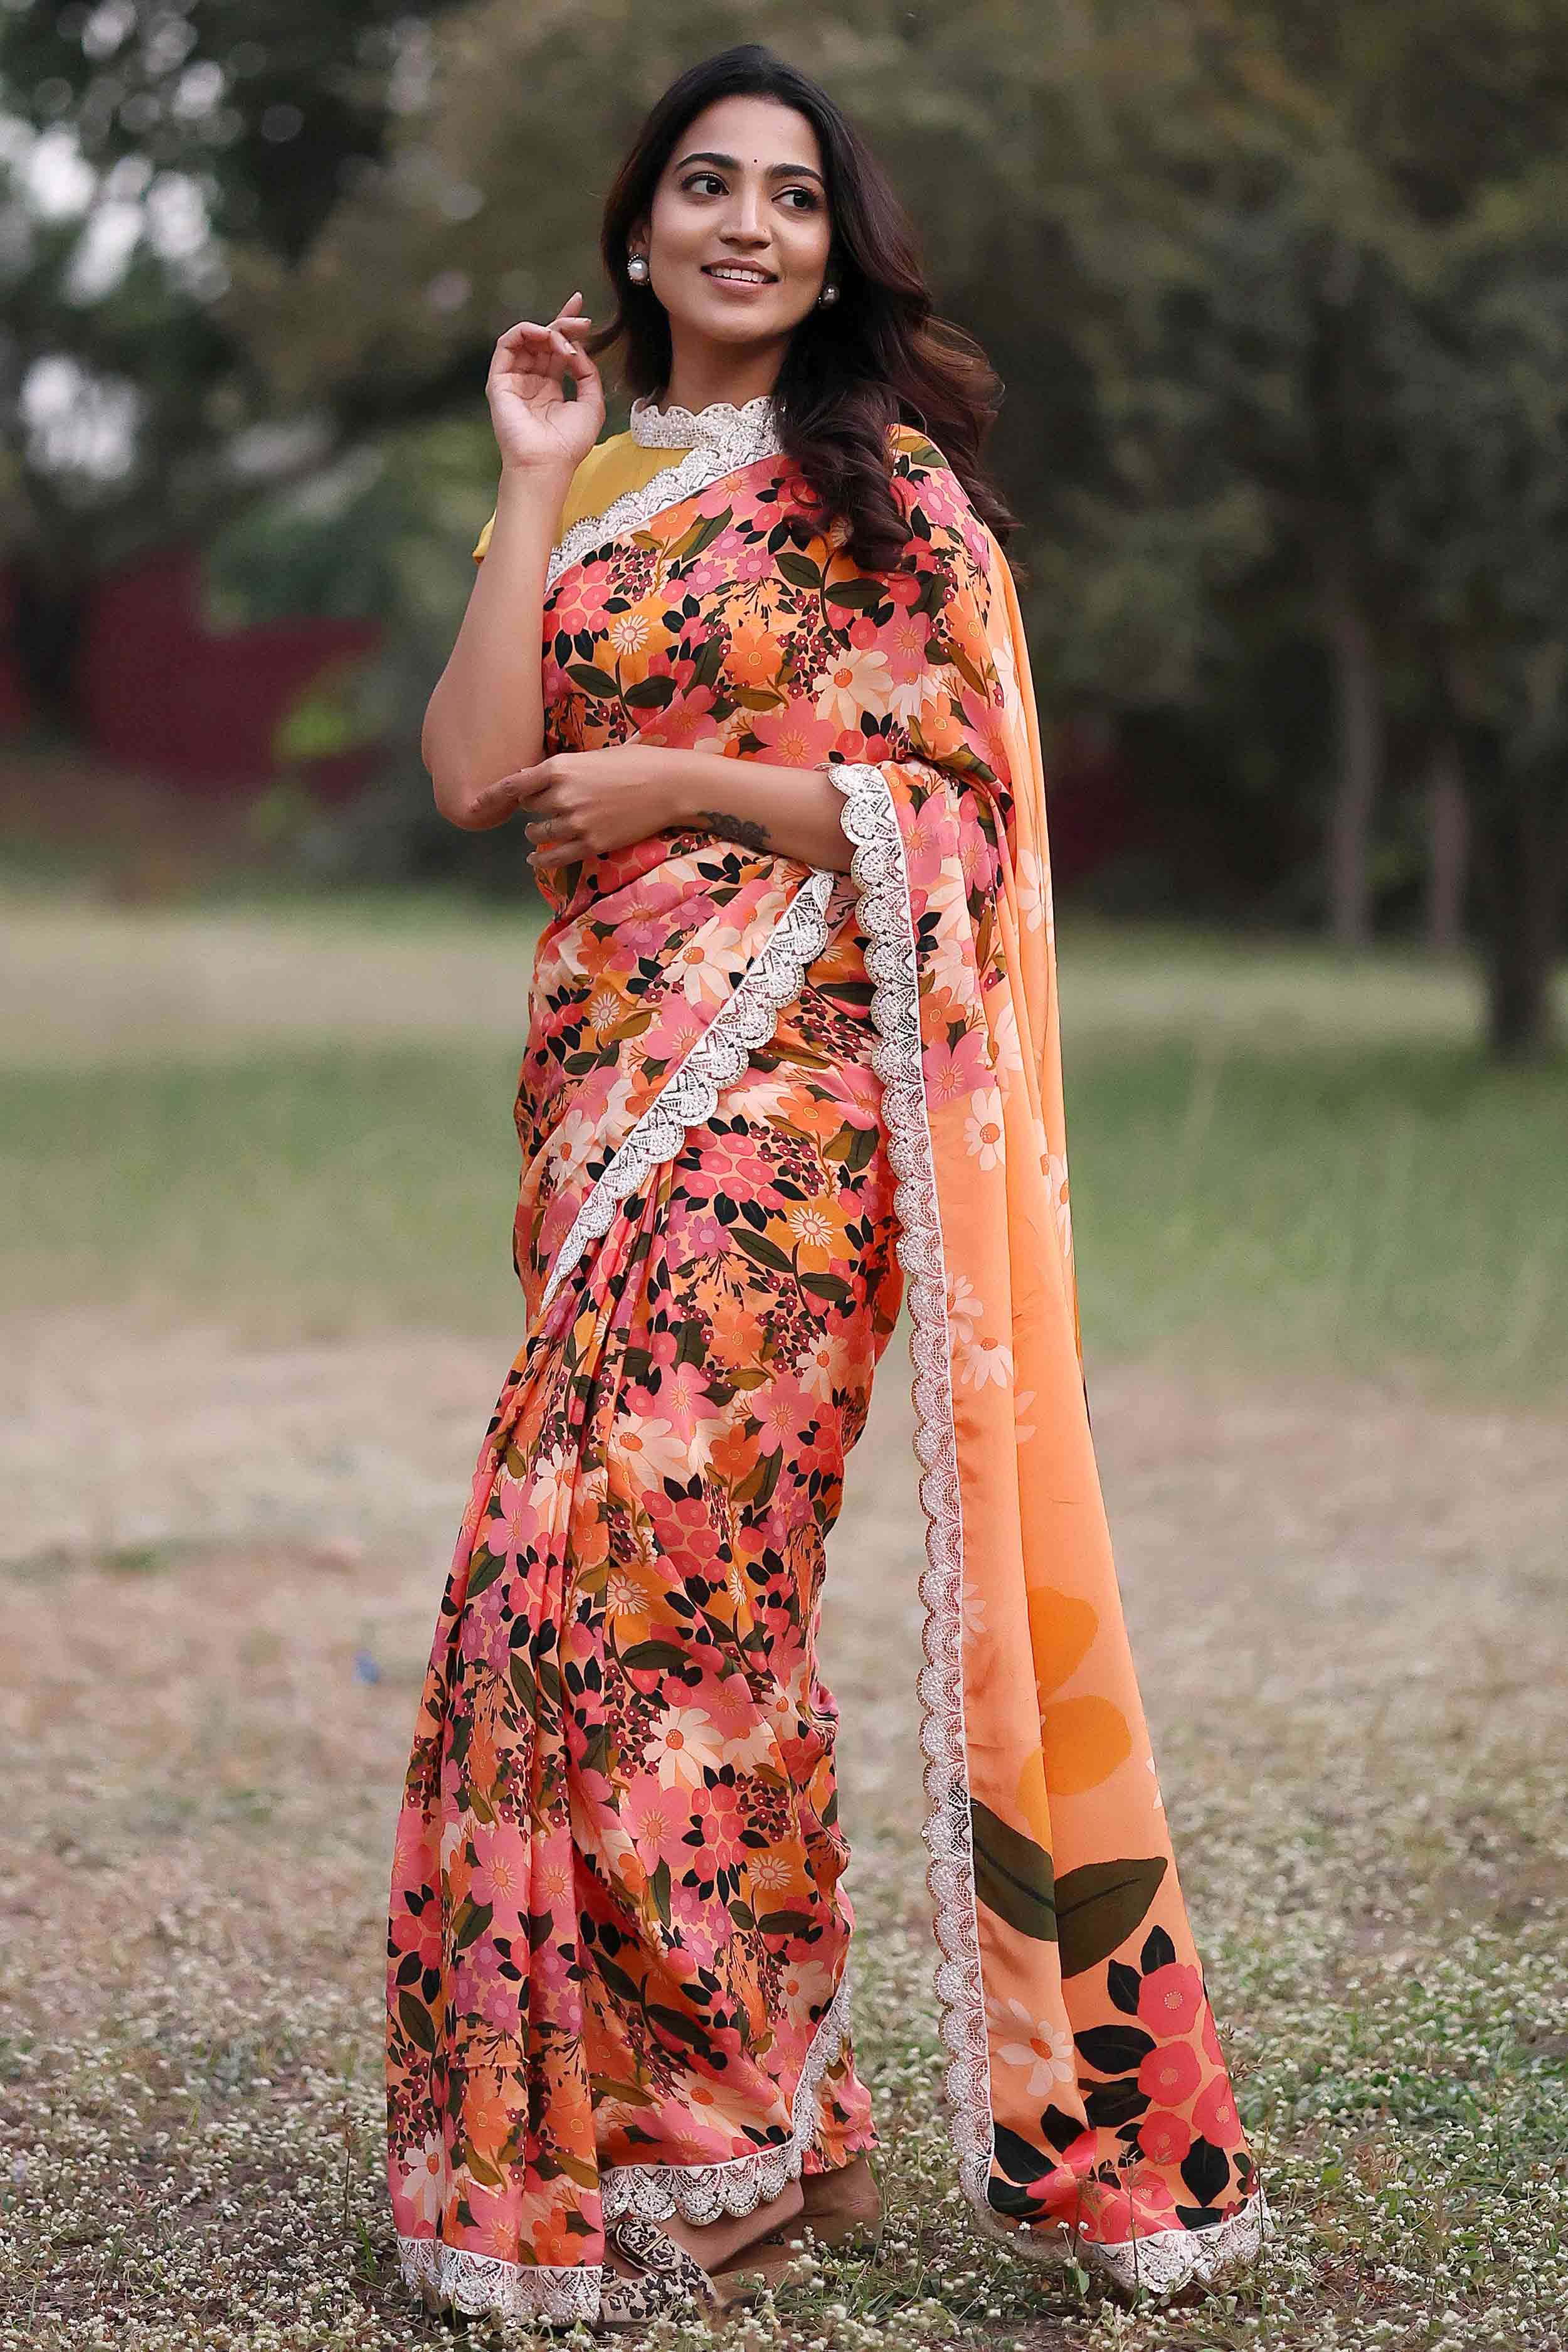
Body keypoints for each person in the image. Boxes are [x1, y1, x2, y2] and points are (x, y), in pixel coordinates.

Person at [385, 41, 1268, 2332]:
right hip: (598, 1108)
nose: (746, 224)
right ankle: (738, 2117)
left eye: (790, 193)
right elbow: (484, 773)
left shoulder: (892, 498)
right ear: (642, 222)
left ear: (836, 242)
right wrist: (532, 472)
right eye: (705, 185)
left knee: (687, 1593)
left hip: (792, 1138)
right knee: (557, 1596)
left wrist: (703, 778)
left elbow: (966, 828)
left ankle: (737, 2133)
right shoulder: (587, 480)